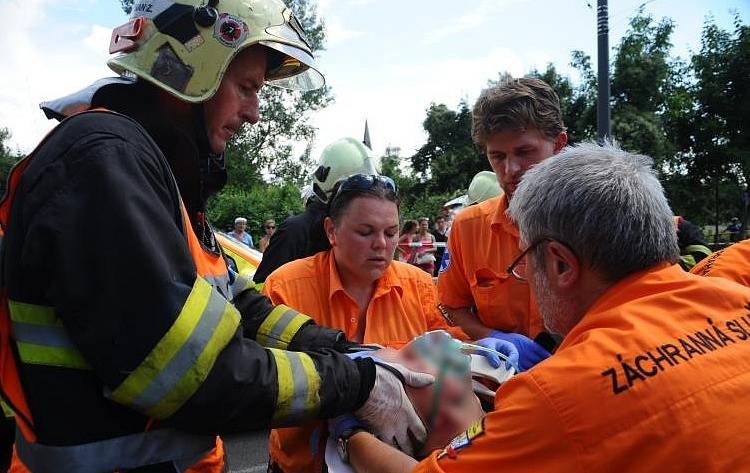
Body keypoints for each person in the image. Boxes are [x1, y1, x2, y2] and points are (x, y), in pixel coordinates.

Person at [0, 2, 430, 471]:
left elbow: (236, 303)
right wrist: (356, 383)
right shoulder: (102, 164)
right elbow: (192, 373)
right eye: (246, 88)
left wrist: (346, 351)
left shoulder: (155, 167)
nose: (255, 113)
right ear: (191, 68)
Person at [347, 142, 750, 473]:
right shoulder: (737, 298)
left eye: (523, 263)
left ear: (559, 263)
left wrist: (351, 437)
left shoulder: (558, 397)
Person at [262, 175, 475, 473]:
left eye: (391, 233)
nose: (381, 245)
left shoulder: (420, 285)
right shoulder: (286, 287)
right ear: (331, 231)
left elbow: (456, 363)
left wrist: (481, 352)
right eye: (365, 232)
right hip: (302, 464)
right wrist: (339, 406)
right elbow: (267, 381)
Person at [437, 77, 567, 369]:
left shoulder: (600, 217)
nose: (510, 170)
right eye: (497, 156)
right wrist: (492, 337)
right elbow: (451, 305)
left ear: (558, 145)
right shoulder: (468, 228)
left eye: (524, 152)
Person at [253, 137, 379, 283]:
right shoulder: (295, 231)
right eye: (353, 191)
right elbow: (262, 290)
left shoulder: (351, 233)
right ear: (330, 188)